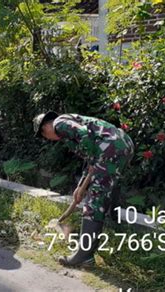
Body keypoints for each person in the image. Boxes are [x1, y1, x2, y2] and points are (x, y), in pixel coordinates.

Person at [33, 111, 134, 266]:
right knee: (107, 187)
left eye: (44, 135)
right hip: (122, 145)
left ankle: (84, 255)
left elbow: (84, 136)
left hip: (109, 149)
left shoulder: (59, 124)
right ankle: (113, 226)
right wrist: (80, 187)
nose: (47, 139)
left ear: (45, 126)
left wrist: (93, 161)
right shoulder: (70, 123)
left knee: (94, 200)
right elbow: (90, 159)